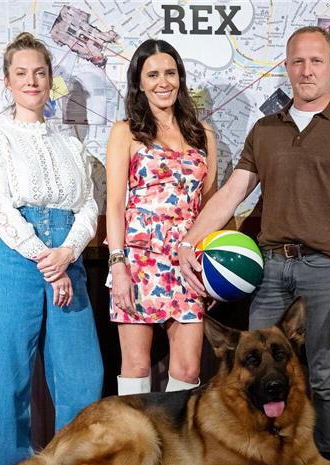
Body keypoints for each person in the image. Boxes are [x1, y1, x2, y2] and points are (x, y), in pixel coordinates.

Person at [177, 26, 330, 452]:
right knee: (257, 376)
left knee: (325, 378)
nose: (307, 71)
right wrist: (188, 243)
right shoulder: (265, 130)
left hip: (326, 271)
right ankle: (265, 464)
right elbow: (231, 193)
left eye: (316, 61)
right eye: (298, 62)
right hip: (269, 271)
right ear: (286, 67)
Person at [0, 32, 103, 465]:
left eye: (40, 73)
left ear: (50, 81)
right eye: (21, 73)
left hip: (68, 252)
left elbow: (88, 205)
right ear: (7, 81)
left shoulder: (71, 144)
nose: (31, 81)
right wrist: (47, 259)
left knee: (81, 376)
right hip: (14, 257)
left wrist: (67, 252)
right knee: (8, 378)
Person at [105, 40, 218, 395]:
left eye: (170, 73)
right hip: (138, 261)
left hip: (188, 261)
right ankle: (135, 434)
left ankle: (176, 435)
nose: (163, 82)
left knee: (187, 369)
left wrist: (213, 270)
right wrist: (118, 266)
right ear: (139, 83)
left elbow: (210, 207)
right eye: (152, 75)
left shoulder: (203, 134)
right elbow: (115, 205)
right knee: (137, 366)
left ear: (180, 78)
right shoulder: (125, 132)